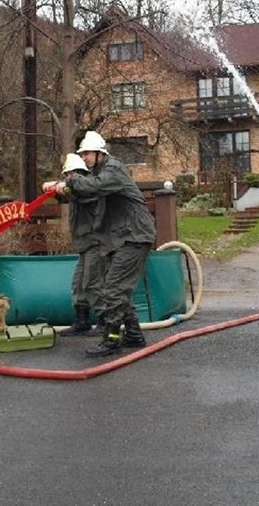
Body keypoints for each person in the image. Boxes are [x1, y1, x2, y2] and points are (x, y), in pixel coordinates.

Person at [43, 131, 156, 357]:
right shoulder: (99, 173)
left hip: (134, 236)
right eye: (82, 154)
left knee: (113, 289)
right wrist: (62, 188)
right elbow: (84, 191)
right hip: (122, 238)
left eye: (86, 153)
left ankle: (111, 340)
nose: (84, 157)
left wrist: (66, 183)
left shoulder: (113, 169)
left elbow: (92, 187)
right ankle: (133, 334)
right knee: (117, 290)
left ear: (99, 153)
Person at [53, 153, 106, 336]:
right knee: (79, 284)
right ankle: (81, 321)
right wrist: (54, 188)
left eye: (70, 174)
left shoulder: (89, 188)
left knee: (93, 282)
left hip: (96, 242)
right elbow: (64, 195)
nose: (68, 178)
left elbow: (77, 193)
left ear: (80, 173)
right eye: (67, 175)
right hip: (84, 245)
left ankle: (105, 321)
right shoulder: (75, 190)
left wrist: (61, 186)